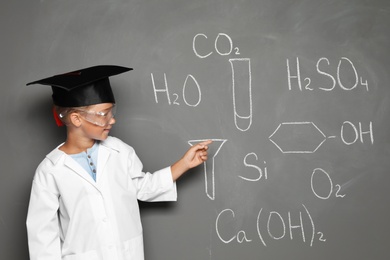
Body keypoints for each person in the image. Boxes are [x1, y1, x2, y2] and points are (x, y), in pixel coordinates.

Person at [25, 65, 211, 260]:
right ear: (76, 119)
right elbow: (42, 236)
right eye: (103, 114)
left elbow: (143, 187)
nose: (112, 120)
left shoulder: (119, 150)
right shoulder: (50, 171)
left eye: (112, 112)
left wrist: (184, 164)